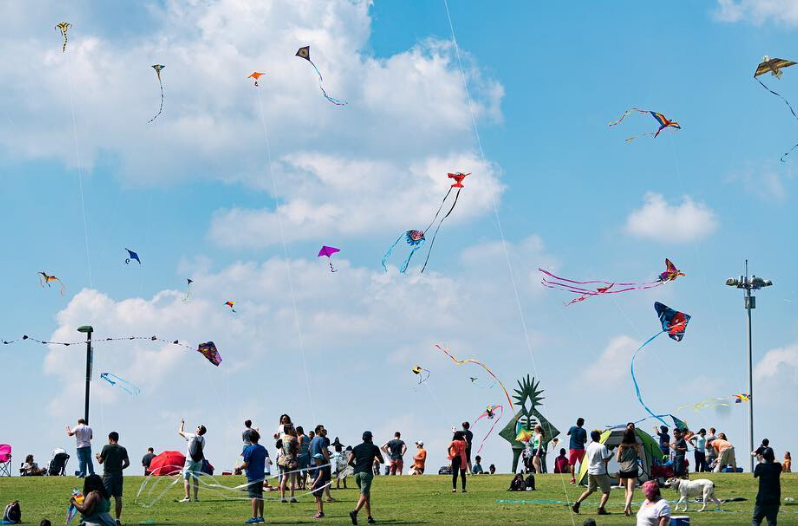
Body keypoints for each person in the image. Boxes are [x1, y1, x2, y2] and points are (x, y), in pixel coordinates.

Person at [348, 431, 384, 526]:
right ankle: (354, 512)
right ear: (371, 438)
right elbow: (382, 460)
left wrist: (356, 466)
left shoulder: (356, 447)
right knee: (364, 495)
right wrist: (374, 455)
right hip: (366, 473)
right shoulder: (374, 447)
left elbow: (349, 461)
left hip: (356, 474)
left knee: (366, 495)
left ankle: (369, 517)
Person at [572, 430, 612, 516]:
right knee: (606, 491)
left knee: (589, 490)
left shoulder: (589, 446)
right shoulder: (602, 447)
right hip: (600, 471)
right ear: (599, 437)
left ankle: (577, 503)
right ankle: (601, 508)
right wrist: (611, 455)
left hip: (590, 471)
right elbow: (605, 460)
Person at [96, 431, 130, 526]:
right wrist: (120, 468)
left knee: (105, 497)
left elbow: (100, 461)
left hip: (108, 476)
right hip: (118, 476)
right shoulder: (123, 449)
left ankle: (103, 517)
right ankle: (117, 519)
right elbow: (127, 463)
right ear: (117, 439)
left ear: (110, 439)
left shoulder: (106, 447)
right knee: (118, 498)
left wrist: (97, 456)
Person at [237, 429, 267, 524]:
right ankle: (261, 517)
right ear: (258, 438)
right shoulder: (263, 448)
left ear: (249, 439)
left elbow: (246, 464)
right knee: (260, 496)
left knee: (254, 496)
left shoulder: (249, 450)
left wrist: (238, 468)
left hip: (252, 476)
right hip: (261, 475)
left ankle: (254, 518)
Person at [178, 419, 206, 503]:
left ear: (198, 430)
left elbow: (180, 432)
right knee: (195, 479)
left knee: (186, 478)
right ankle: (196, 498)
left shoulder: (192, 436)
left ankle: (187, 497)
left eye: (198, 427)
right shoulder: (203, 440)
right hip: (199, 461)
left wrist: (182, 424)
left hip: (190, 460)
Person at [617, 427, 642, 517]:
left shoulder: (621, 446)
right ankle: (626, 507)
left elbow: (617, 459)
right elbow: (640, 457)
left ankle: (629, 510)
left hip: (623, 470)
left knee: (626, 490)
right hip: (632, 469)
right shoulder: (636, 445)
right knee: (631, 491)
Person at [753, 447, 781, 526]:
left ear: (763, 456)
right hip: (775, 499)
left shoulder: (760, 466)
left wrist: (760, 460)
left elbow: (755, 475)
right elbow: (776, 462)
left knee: (756, 520)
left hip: (762, 498)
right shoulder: (777, 466)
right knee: (772, 522)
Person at [310, 442, 332, 520]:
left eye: (316, 459)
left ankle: (321, 512)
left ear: (320, 459)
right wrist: (312, 483)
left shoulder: (321, 467)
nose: (315, 460)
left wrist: (314, 484)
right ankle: (319, 512)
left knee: (319, 498)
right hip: (317, 484)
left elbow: (320, 476)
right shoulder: (318, 466)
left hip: (319, 484)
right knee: (317, 498)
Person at [278, 424, 299, 503]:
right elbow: (298, 450)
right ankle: (292, 497)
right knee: (292, 480)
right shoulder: (294, 438)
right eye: (293, 429)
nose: (294, 430)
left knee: (284, 479)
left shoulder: (282, 438)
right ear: (289, 430)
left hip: (284, 460)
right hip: (292, 460)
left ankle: (282, 497)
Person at [567, 417, 588, 484]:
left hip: (573, 448)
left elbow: (568, 433)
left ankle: (573, 478)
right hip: (581, 448)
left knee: (572, 464)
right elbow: (585, 441)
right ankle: (583, 478)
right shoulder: (583, 431)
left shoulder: (572, 428)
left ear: (577, 422)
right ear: (582, 424)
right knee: (582, 463)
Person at [296, 425, 311, 490]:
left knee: (298, 471)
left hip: (300, 456)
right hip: (306, 455)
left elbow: (299, 447)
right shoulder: (307, 437)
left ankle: (299, 485)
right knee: (305, 471)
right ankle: (304, 485)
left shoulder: (300, 437)